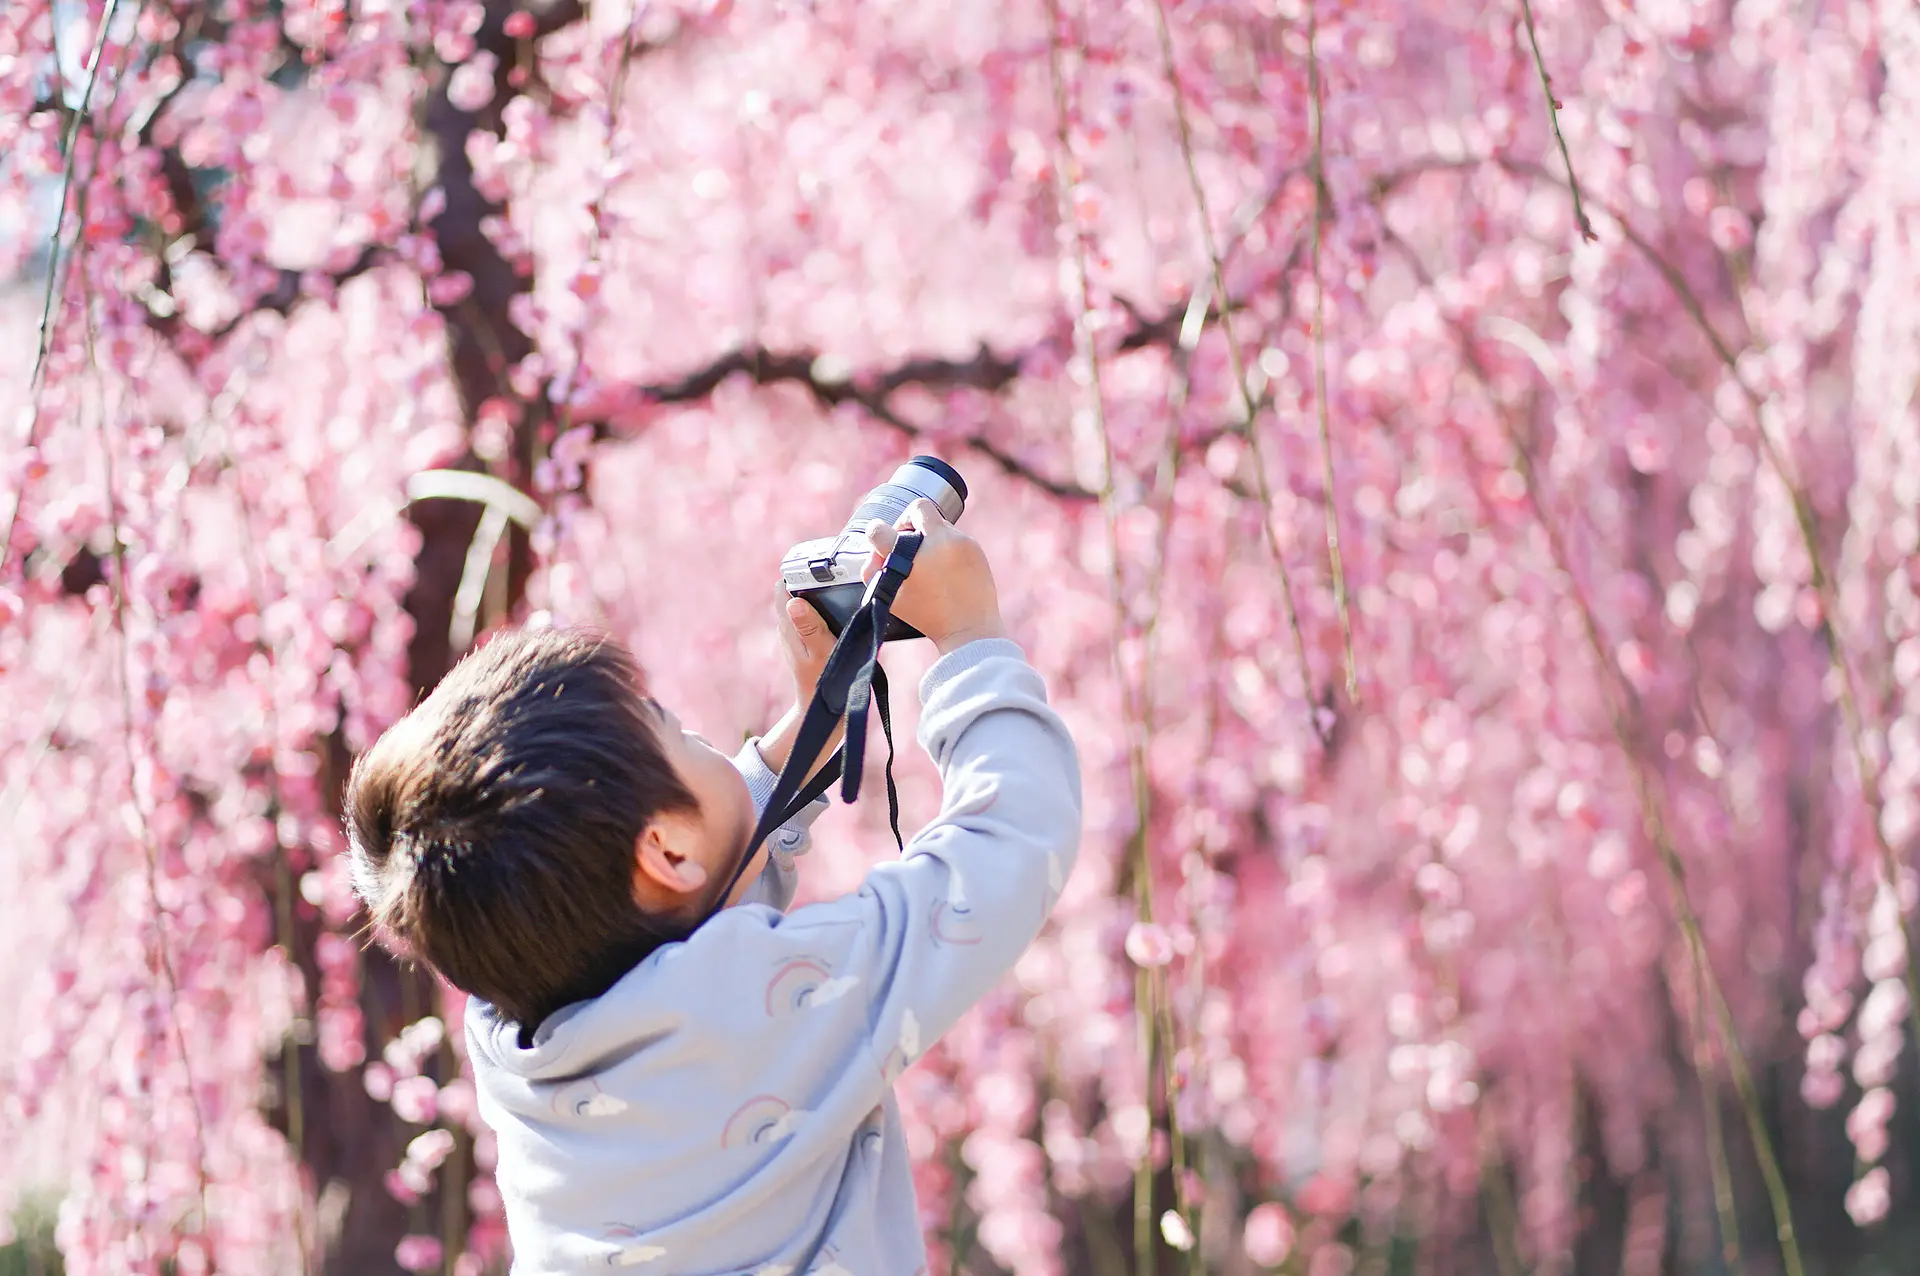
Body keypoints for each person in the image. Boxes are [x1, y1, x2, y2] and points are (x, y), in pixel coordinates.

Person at [344, 499, 1082, 1274]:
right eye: (679, 734)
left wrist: (815, 720)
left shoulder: (516, 1040)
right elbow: (1009, 847)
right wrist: (970, 642)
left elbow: (683, 912)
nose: (706, 741)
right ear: (663, 848)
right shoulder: (753, 1006)